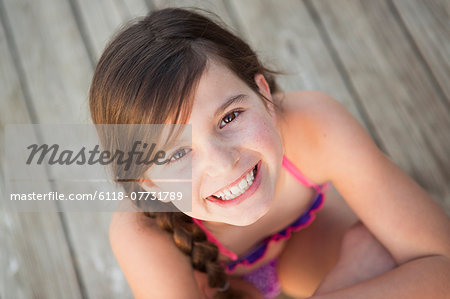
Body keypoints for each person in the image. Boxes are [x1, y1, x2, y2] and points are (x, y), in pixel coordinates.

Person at [89, 7, 450, 299]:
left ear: (263, 93)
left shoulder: (314, 125)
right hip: (222, 287)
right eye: (175, 154)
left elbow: (441, 266)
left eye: (229, 117)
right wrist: (350, 276)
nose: (222, 162)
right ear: (148, 182)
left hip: (304, 243)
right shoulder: (142, 233)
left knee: (382, 250)